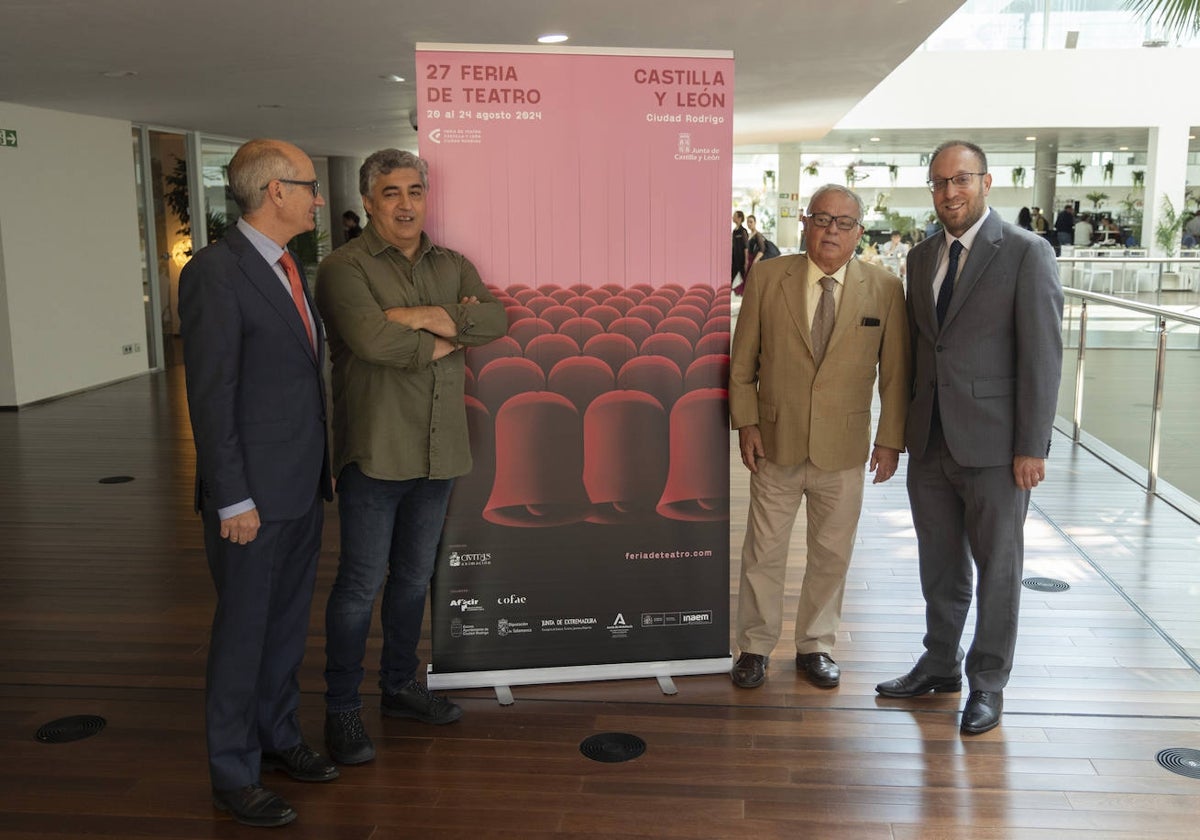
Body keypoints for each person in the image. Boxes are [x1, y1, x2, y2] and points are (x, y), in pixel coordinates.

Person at [315, 149, 507, 765]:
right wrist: (452, 330)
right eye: (391, 192)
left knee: (414, 581)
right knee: (359, 586)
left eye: (415, 191)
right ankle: (341, 708)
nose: (405, 203)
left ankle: (399, 686)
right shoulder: (343, 267)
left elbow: (496, 319)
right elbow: (370, 338)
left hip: (439, 449)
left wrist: (417, 319)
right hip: (376, 449)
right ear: (368, 201)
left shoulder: (453, 263)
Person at [876, 141, 1063, 735]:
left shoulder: (1028, 253)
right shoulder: (921, 256)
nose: (949, 193)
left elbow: (1042, 355)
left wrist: (1033, 444)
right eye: (938, 183)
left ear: (987, 182)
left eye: (960, 180)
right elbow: (920, 350)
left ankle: (988, 681)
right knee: (939, 564)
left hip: (997, 445)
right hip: (930, 439)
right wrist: (898, 430)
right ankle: (939, 665)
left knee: (999, 566)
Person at [178, 138, 336, 828]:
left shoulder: (289, 267)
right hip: (252, 499)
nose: (318, 197)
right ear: (275, 191)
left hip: (301, 485)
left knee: (284, 628)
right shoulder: (217, 272)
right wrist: (233, 495)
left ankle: (278, 738)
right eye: (307, 185)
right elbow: (213, 395)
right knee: (244, 634)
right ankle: (232, 772)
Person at [728, 184, 911, 691]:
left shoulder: (885, 288)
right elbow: (743, 363)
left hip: (845, 448)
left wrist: (891, 441)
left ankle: (816, 645)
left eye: (844, 223)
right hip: (776, 441)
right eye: (823, 219)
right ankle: (755, 647)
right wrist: (747, 423)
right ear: (805, 223)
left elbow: (896, 374)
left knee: (832, 554)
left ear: (858, 232)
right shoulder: (767, 278)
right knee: (762, 552)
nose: (832, 230)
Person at [732, 210, 749, 290]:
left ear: (739, 218)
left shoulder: (743, 231)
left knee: (745, 281)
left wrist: (746, 261)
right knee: (730, 279)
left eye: (734, 216)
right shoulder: (734, 231)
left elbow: (746, 247)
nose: (733, 217)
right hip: (734, 260)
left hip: (742, 260)